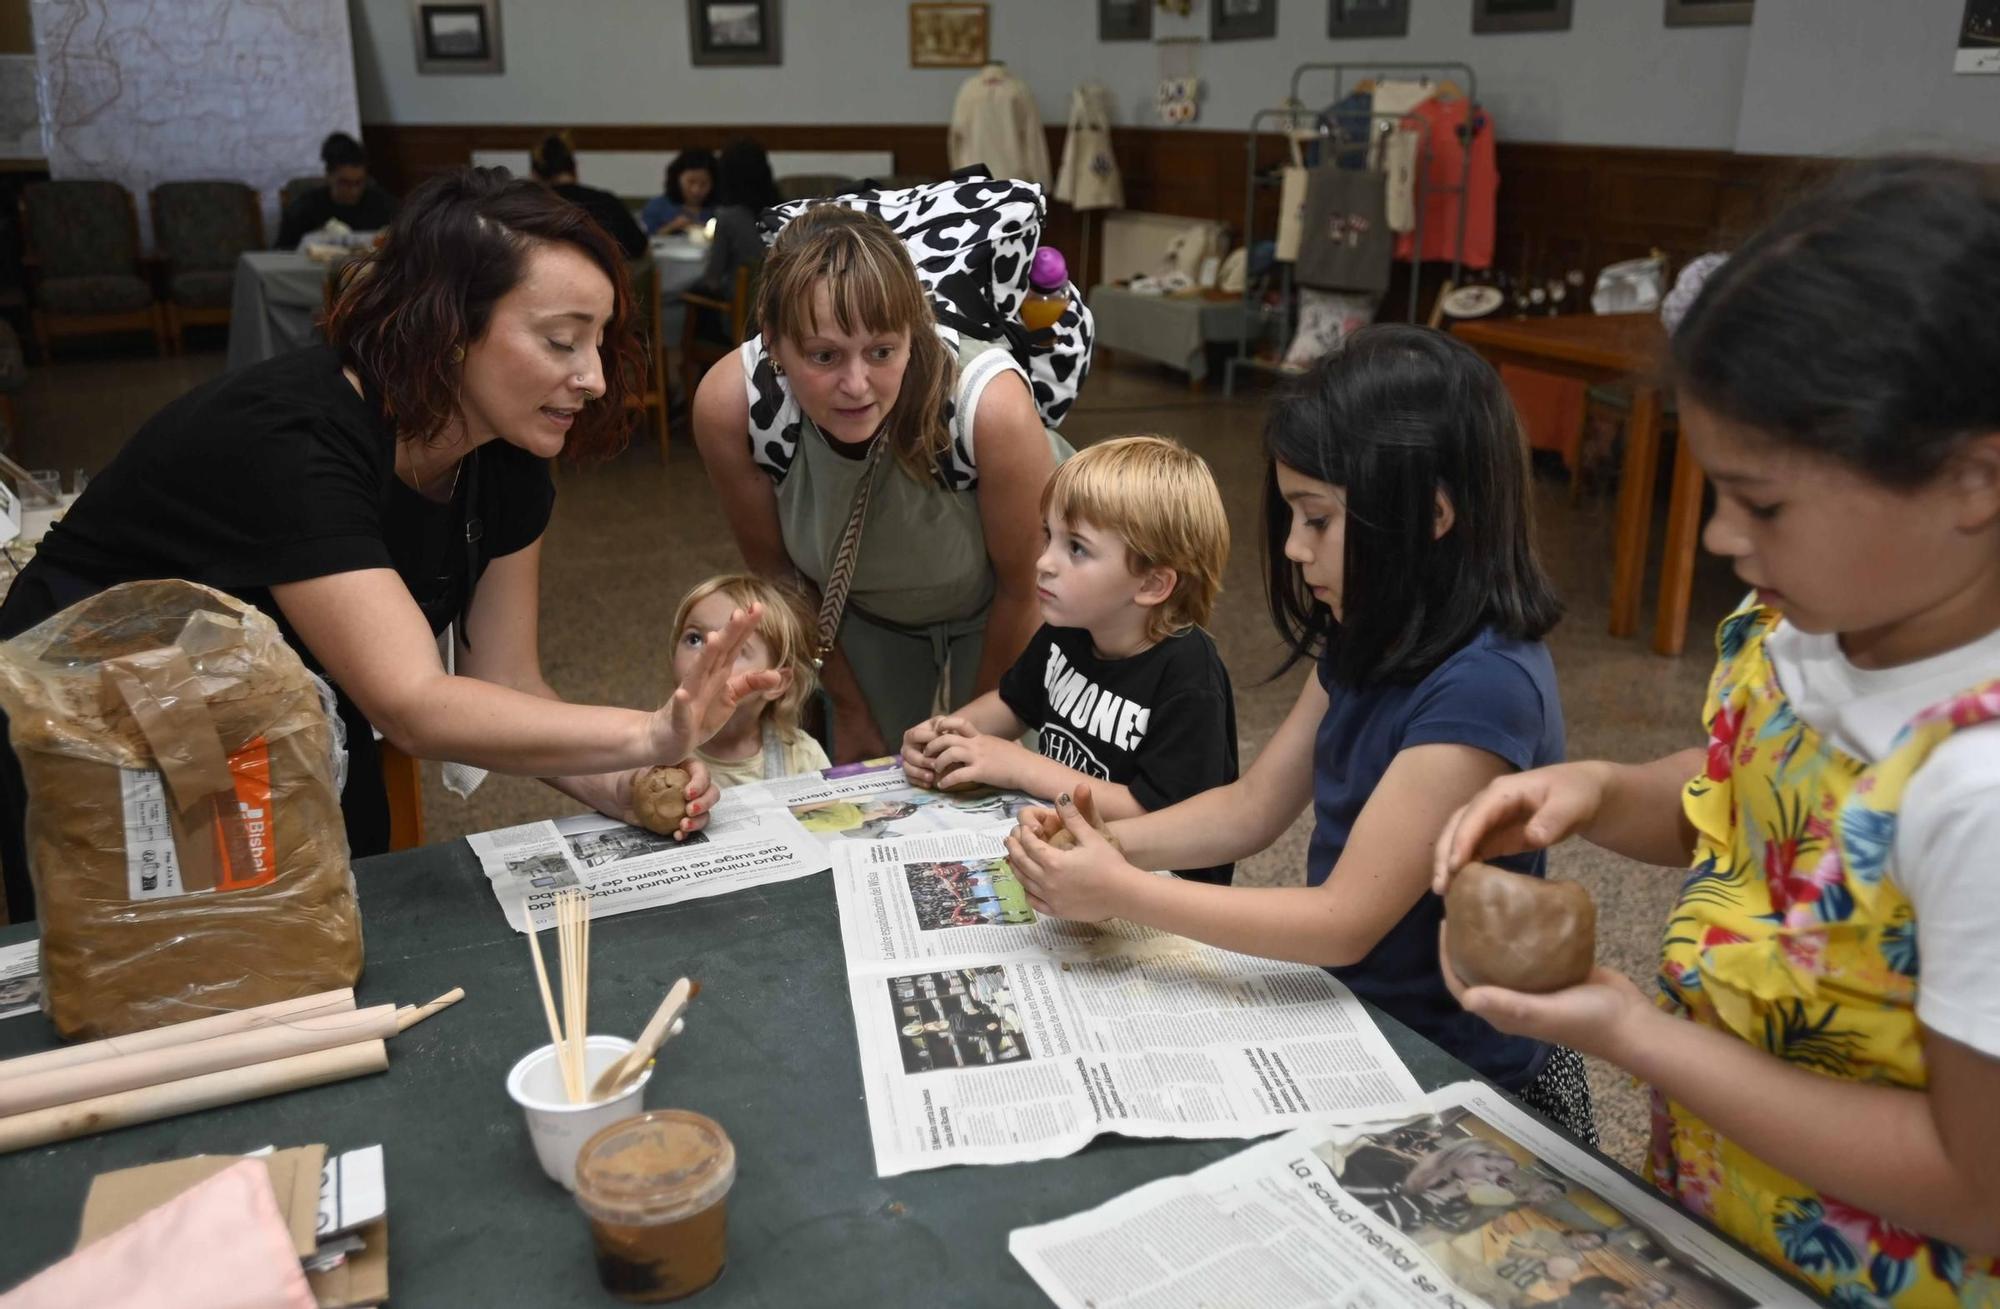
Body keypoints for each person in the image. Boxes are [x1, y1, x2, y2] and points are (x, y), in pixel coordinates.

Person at [1431, 157, 2000, 1304]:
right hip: (1717, 1214)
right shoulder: (1802, 627)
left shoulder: (1977, 787)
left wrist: (1637, 1035)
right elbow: (1749, 803)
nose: (1719, 539)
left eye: (1762, 503)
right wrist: (1593, 787)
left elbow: (1970, 1181)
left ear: (1970, 478)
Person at [0, 168, 777, 922]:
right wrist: (646, 730)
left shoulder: (505, 459)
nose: (596, 377)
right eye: (561, 342)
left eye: (600, 341)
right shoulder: (295, 441)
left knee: (334, 920)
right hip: (99, 715)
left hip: (275, 711)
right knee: (178, 970)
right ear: (445, 330)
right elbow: (412, 703)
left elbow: (505, 680)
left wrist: (623, 779)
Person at [1006, 326, 1596, 1142]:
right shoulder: (1369, 625)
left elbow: (1343, 917)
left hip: (1458, 1073)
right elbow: (1253, 806)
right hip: (1354, 1016)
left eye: (1317, 518)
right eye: (1291, 514)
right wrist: (1099, 836)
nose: (1291, 546)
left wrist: (1123, 889)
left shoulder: (1487, 686)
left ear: (1430, 516)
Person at [694, 204, 1067, 759]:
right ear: (772, 340)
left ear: (912, 334)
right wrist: (848, 708)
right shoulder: (733, 406)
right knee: (861, 774)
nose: (856, 384)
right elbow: (780, 575)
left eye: (882, 352)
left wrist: (975, 735)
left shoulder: (990, 405)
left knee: (1002, 787)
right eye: (824, 356)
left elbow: (1024, 587)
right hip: (857, 611)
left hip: (1015, 604)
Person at [900, 435, 1240, 883]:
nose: (1043, 562)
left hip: (1157, 886)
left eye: (1076, 548)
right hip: (1070, 854)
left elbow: (1157, 811)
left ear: (1153, 585)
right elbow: (1011, 703)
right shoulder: (1068, 630)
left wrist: (1022, 765)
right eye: (1049, 537)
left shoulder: (1190, 677)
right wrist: (946, 738)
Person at [671, 573, 830, 788]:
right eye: (695, 639)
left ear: (775, 683)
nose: (706, 655)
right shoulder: (647, 747)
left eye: (734, 648)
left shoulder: (802, 757)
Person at [529, 133, 647, 260]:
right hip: (607, 276)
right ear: (575, 168)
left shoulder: (533, 208)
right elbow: (639, 247)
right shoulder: (607, 202)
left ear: (535, 174)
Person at [275, 131, 398, 250]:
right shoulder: (303, 209)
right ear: (328, 176)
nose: (354, 191)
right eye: (345, 183)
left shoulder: (383, 205)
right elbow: (281, 254)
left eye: (359, 182)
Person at [693, 137, 781, 299]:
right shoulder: (782, 210)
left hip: (742, 304)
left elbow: (713, 278)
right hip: (781, 298)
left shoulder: (728, 216)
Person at [642, 148, 717, 236]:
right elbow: (645, 242)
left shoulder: (720, 209)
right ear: (677, 179)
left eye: (704, 184)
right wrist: (671, 227)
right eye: (690, 182)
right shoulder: (657, 207)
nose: (696, 190)